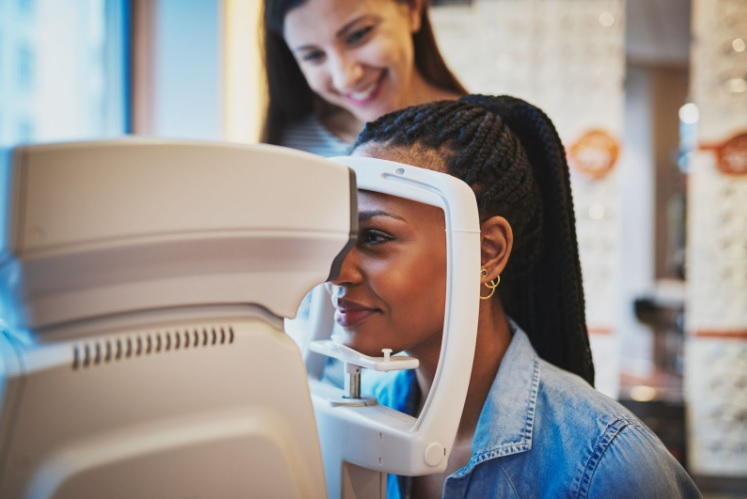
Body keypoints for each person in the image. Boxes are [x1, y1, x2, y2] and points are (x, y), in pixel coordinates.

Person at [328, 95, 702, 498]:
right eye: (338, 236)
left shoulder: (610, 467)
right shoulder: (361, 416)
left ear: (486, 252)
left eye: (374, 237)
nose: (336, 273)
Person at [261, 0, 466, 157]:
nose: (345, 79)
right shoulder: (288, 147)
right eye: (313, 56)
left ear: (412, 8)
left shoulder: (483, 136)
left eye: (358, 35)